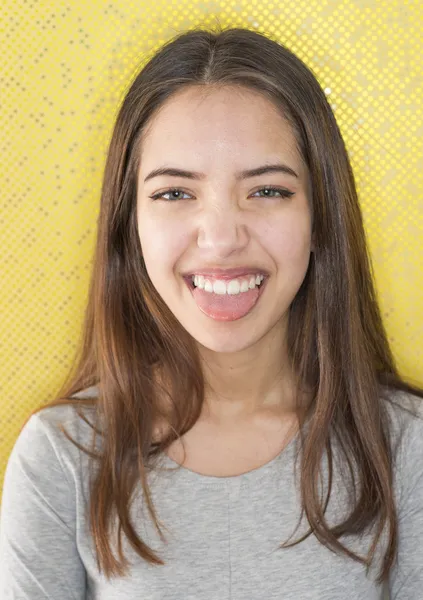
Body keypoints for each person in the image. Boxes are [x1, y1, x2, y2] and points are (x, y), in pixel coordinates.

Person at [1, 24, 422, 600]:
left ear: (321, 216)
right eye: (175, 193)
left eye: (268, 190)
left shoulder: (406, 447)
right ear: (130, 227)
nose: (222, 238)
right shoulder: (63, 457)